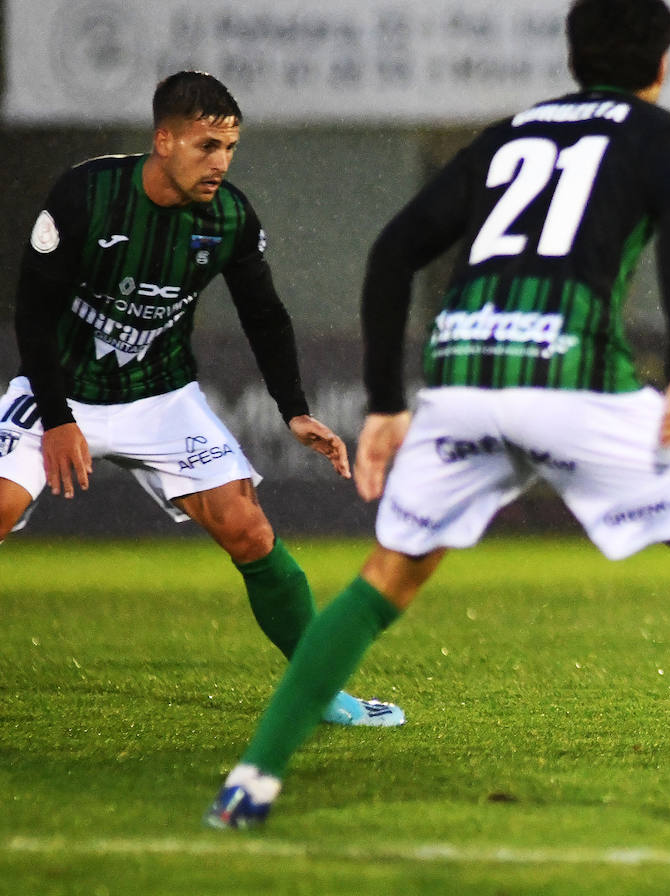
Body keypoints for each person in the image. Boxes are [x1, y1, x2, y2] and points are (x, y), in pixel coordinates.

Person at [204, 0, 670, 840]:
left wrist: (387, 402)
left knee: (388, 574)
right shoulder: (660, 134)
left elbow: (394, 252)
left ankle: (250, 782)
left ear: (575, 61)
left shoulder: (511, 133)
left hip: (463, 375)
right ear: (660, 63)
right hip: (570, 373)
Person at [1, 70, 404, 728]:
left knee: (249, 529)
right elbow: (32, 312)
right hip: (61, 389)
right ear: (164, 141)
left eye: (230, 147)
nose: (220, 162)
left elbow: (265, 316)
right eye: (206, 145)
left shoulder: (229, 218)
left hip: (160, 397)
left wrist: (293, 407)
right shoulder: (87, 194)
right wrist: (57, 419)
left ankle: (320, 690)